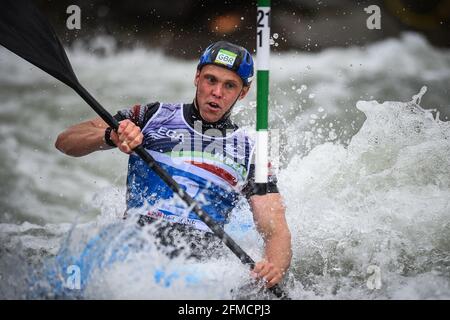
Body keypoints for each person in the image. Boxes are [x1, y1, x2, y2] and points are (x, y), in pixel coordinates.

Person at [55, 41, 292, 289]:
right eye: (211, 80)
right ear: (197, 77)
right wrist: (110, 135)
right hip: (137, 248)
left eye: (229, 85)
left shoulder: (251, 149)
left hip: (203, 263)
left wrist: (272, 269)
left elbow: (275, 229)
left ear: (243, 92)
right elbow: (65, 141)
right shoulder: (150, 116)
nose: (217, 92)